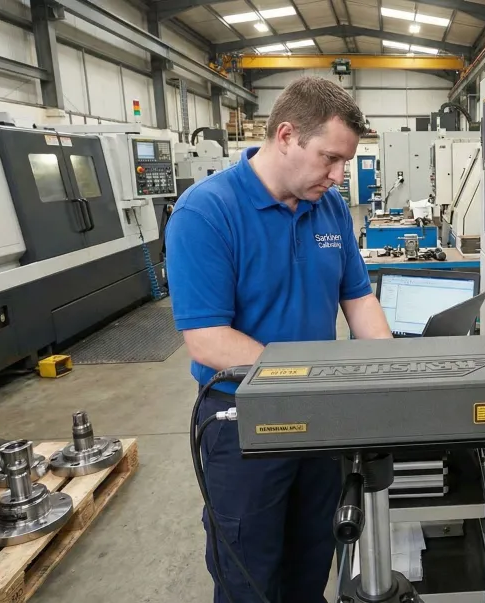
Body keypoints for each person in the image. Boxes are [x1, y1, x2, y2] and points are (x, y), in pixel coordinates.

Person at [165, 76, 393, 603]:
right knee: (250, 576)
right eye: (329, 159)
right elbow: (207, 341)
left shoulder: (328, 207)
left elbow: (358, 301)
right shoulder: (206, 212)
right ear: (286, 135)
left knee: (311, 563)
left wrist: (394, 371)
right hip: (240, 422)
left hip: (317, 418)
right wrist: (316, 373)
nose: (338, 177)